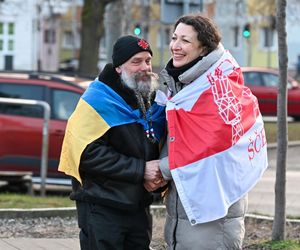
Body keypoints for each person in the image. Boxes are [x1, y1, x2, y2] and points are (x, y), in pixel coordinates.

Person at [157, 14, 268, 249]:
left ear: (203, 48)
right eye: (174, 37)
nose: (176, 46)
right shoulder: (183, 83)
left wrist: (159, 169)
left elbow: (208, 148)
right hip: (185, 212)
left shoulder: (218, 88)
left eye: (185, 41)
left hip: (213, 219)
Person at [58, 35, 166, 250]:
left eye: (147, 61)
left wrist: (160, 173)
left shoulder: (153, 98)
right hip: (102, 206)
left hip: (138, 206)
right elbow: (87, 154)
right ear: (118, 67)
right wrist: (140, 170)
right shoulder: (97, 100)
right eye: (136, 62)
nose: (144, 68)